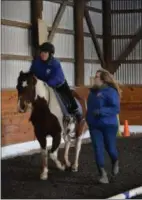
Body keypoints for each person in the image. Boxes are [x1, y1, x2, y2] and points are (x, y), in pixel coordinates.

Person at [29, 42, 84, 129]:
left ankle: (76, 113)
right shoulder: (36, 63)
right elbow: (31, 73)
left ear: (50, 54)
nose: (43, 54)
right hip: (44, 85)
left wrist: (47, 83)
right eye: (42, 52)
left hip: (59, 84)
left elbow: (57, 77)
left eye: (45, 52)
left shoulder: (55, 63)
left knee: (68, 96)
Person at [86, 69, 122, 184]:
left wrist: (101, 111)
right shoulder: (92, 93)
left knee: (110, 148)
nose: (94, 78)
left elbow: (116, 109)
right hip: (95, 126)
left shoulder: (111, 92)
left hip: (109, 125)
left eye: (96, 77)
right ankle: (102, 174)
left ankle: (115, 160)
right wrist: (88, 119)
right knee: (98, 148)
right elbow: (90, 109)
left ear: (102, 79)